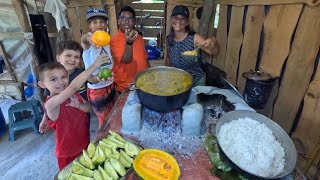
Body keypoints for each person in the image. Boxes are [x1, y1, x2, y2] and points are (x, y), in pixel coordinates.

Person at [37, 56, 108, 170]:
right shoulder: (50, 104)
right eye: (53, 79)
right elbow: (73, 87)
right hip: (67, 153)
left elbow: (89, 108)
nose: (60, 82)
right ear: (42, 84)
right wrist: (94, 65)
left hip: (85, 144)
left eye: (64, 77)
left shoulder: (74, 95)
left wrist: (79, 106)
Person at [38, 40, 98, 133]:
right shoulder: (49, 80)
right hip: (65, 120)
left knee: (84, 136)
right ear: (58, 58)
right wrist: (45, 119)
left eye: (76, 57)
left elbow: (94, 80)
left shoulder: (82, 72)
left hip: (83, 113)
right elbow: (50, 102)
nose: (73, 59)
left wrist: (103, 77)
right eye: (68, 55)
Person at [166, 5, 220, 86]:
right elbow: (168, 58)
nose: (178, 21)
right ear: (171, 20)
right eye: (175, 17)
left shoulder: (194, 38)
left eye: (182, 18)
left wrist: (214, 43)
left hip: (196, 81)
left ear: (187, 22)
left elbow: (213, 52)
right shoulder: (169, 39)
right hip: (178, 80)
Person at [81, 8, 116, 128]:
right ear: (89, 26)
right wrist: (89, 38)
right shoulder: (89, 40)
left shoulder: (106, 38)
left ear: (106, 24)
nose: (99, 24)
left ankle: (111, 136)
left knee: (112, 114)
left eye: (102, 21)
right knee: (104, 119)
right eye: (94, 22)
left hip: (110, 84)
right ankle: (103, 142)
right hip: (97, 88)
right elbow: (84, 39)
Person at [110, 5, 149, 93]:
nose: (127, 22)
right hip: (126, 87)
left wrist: (149, 74)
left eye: (130, 19)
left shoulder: (139, 37)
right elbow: (126, 60)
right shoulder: (114, 40)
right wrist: (129, 43)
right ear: (119, 21)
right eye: (123, 18)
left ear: (134, 22)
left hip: (142, 83)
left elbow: (145, 59)